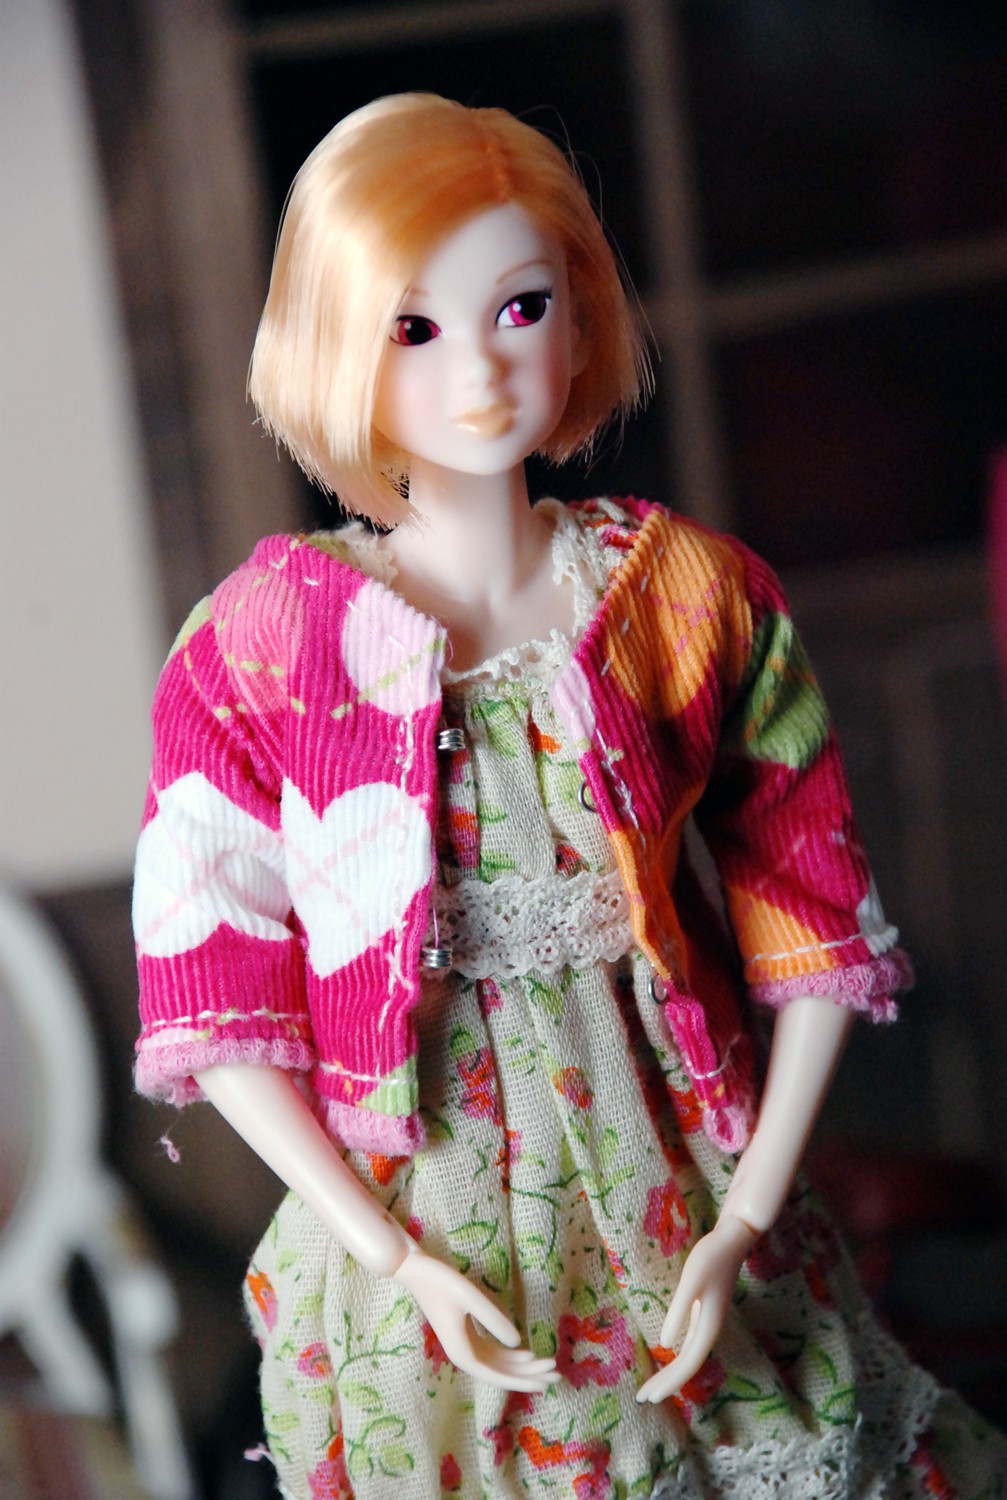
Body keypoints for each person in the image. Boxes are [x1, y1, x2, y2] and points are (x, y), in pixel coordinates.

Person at [133, 93, 1006, 1499]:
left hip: (681, 1168)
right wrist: (388, 1255)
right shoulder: (261, 649)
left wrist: (748, 1216)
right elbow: (214, 990)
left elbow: (815, 922)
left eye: (522, 308)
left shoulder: (686, 598)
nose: (480, 368)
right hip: (431, 1199)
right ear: (335, 344)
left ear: (582, 314)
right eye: (413, 328)